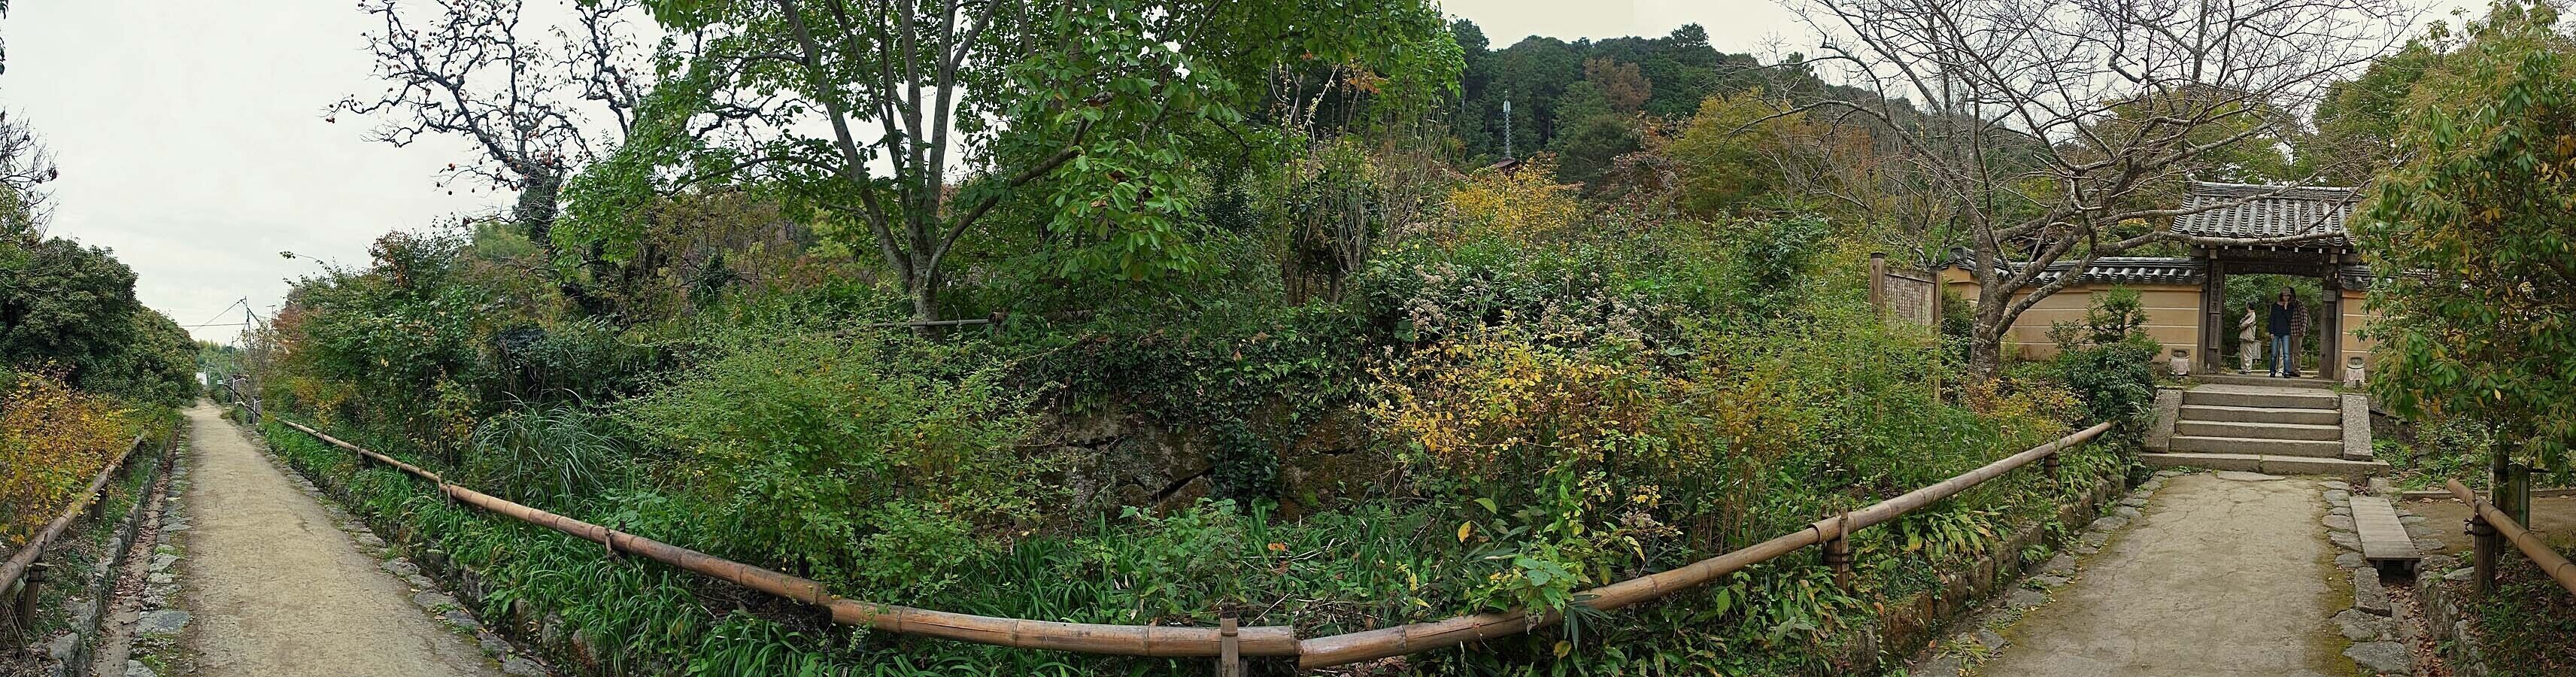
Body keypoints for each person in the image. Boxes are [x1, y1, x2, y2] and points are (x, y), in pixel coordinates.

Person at [2268, 288, 2306, 378]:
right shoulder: (2275, 306)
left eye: (2288, 296)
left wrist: (2285, 308)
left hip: (2287, 332)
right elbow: (2272, 319)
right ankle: (2272, 371)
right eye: (2285, 295)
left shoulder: (2291, 306)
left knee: (2287, 353)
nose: (2286, 297)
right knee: (2274, 353)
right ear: (2281, 295)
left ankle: (2287, 371)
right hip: (2276, 332)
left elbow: (2290, 319)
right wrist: (2271, 331)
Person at [2238, 300, 2262, 374]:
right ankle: (2244, 369)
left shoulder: (2252, 315)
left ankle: (2248, 369)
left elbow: (2244, 324)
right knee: (2243, 354)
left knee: (2247, 353)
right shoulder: (2249, 314)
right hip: (2245, 336)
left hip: (2248, 336)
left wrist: (2241, 324)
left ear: (2248, 306)